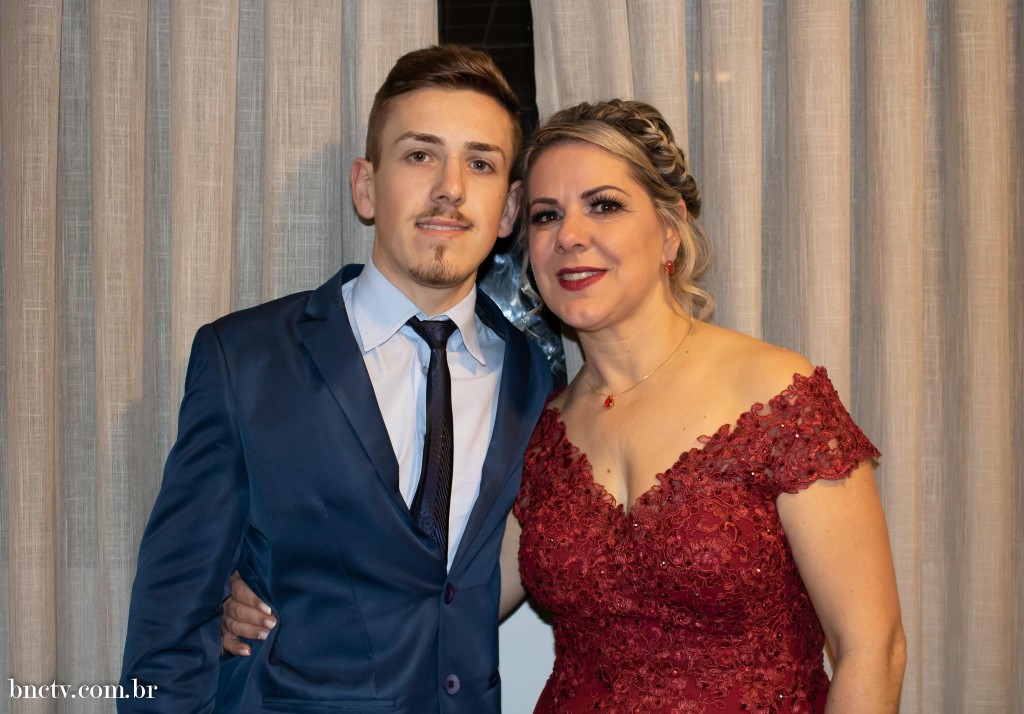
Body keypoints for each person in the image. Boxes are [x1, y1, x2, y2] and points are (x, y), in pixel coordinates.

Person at [225, 99, 907, 712]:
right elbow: (442, 601)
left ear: (670, 231)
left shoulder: (778, 396)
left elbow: (872, 650)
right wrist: (272, 593)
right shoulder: (538, 428)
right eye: (547, 215)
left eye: (603, 205)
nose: (570, 236)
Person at [119, 44, 552, 713]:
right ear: (366, 187)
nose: (450, 187)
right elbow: (168, 630)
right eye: (420, 155)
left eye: (480, 163)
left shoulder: (535, 380)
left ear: (509, 209)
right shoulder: (244, 360)